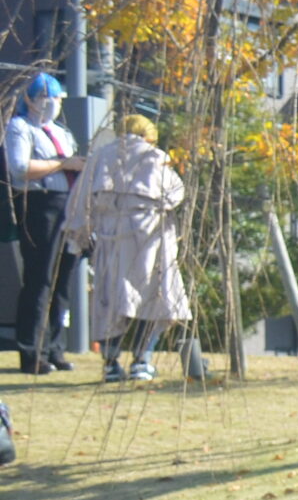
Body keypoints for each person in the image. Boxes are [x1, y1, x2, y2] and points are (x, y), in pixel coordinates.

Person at [64, 114, 191, 384]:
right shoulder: (156, 157)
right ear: (148, 135)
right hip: (150, 241)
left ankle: (111, 363)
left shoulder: (99, 157)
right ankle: (142, 361)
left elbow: (79, 201)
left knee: (108, 303)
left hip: (110, 240)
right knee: (154, 300)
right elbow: (175, 194)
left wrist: (79, 237)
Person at [7, 73, 84, 375]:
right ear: (30, 99)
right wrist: (63, 164)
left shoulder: (61, 132)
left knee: (63, 280)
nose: (51, 103)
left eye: (56, 98)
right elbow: (20, 167)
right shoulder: (20, 127)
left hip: (68, 205)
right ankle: (31, 352)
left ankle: (55, 348)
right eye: (44, 97)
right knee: (40, 279)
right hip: (40, 205)